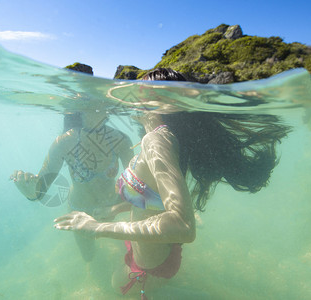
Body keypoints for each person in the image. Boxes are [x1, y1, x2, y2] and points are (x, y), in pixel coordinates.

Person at [54, 68, 291, 298]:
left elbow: (183, 225)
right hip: (155, 247)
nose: (133, 98)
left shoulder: (156, 140)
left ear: (161, 103)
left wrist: (95, 228)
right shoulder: (165, 137)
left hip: (148, 265)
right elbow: (155, 196)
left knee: (115, 288)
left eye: (141, 91)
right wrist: (115, 209)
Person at [11, 109, 134, 262]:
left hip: (112, 207)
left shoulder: (120, 140)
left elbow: (138, 188)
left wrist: (116, 209)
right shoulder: (64, 142)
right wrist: (30, 192)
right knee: (89, 257)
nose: (96, 108)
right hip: (80, 212)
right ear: (79, 112)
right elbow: (39, 192)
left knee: (125, 255)